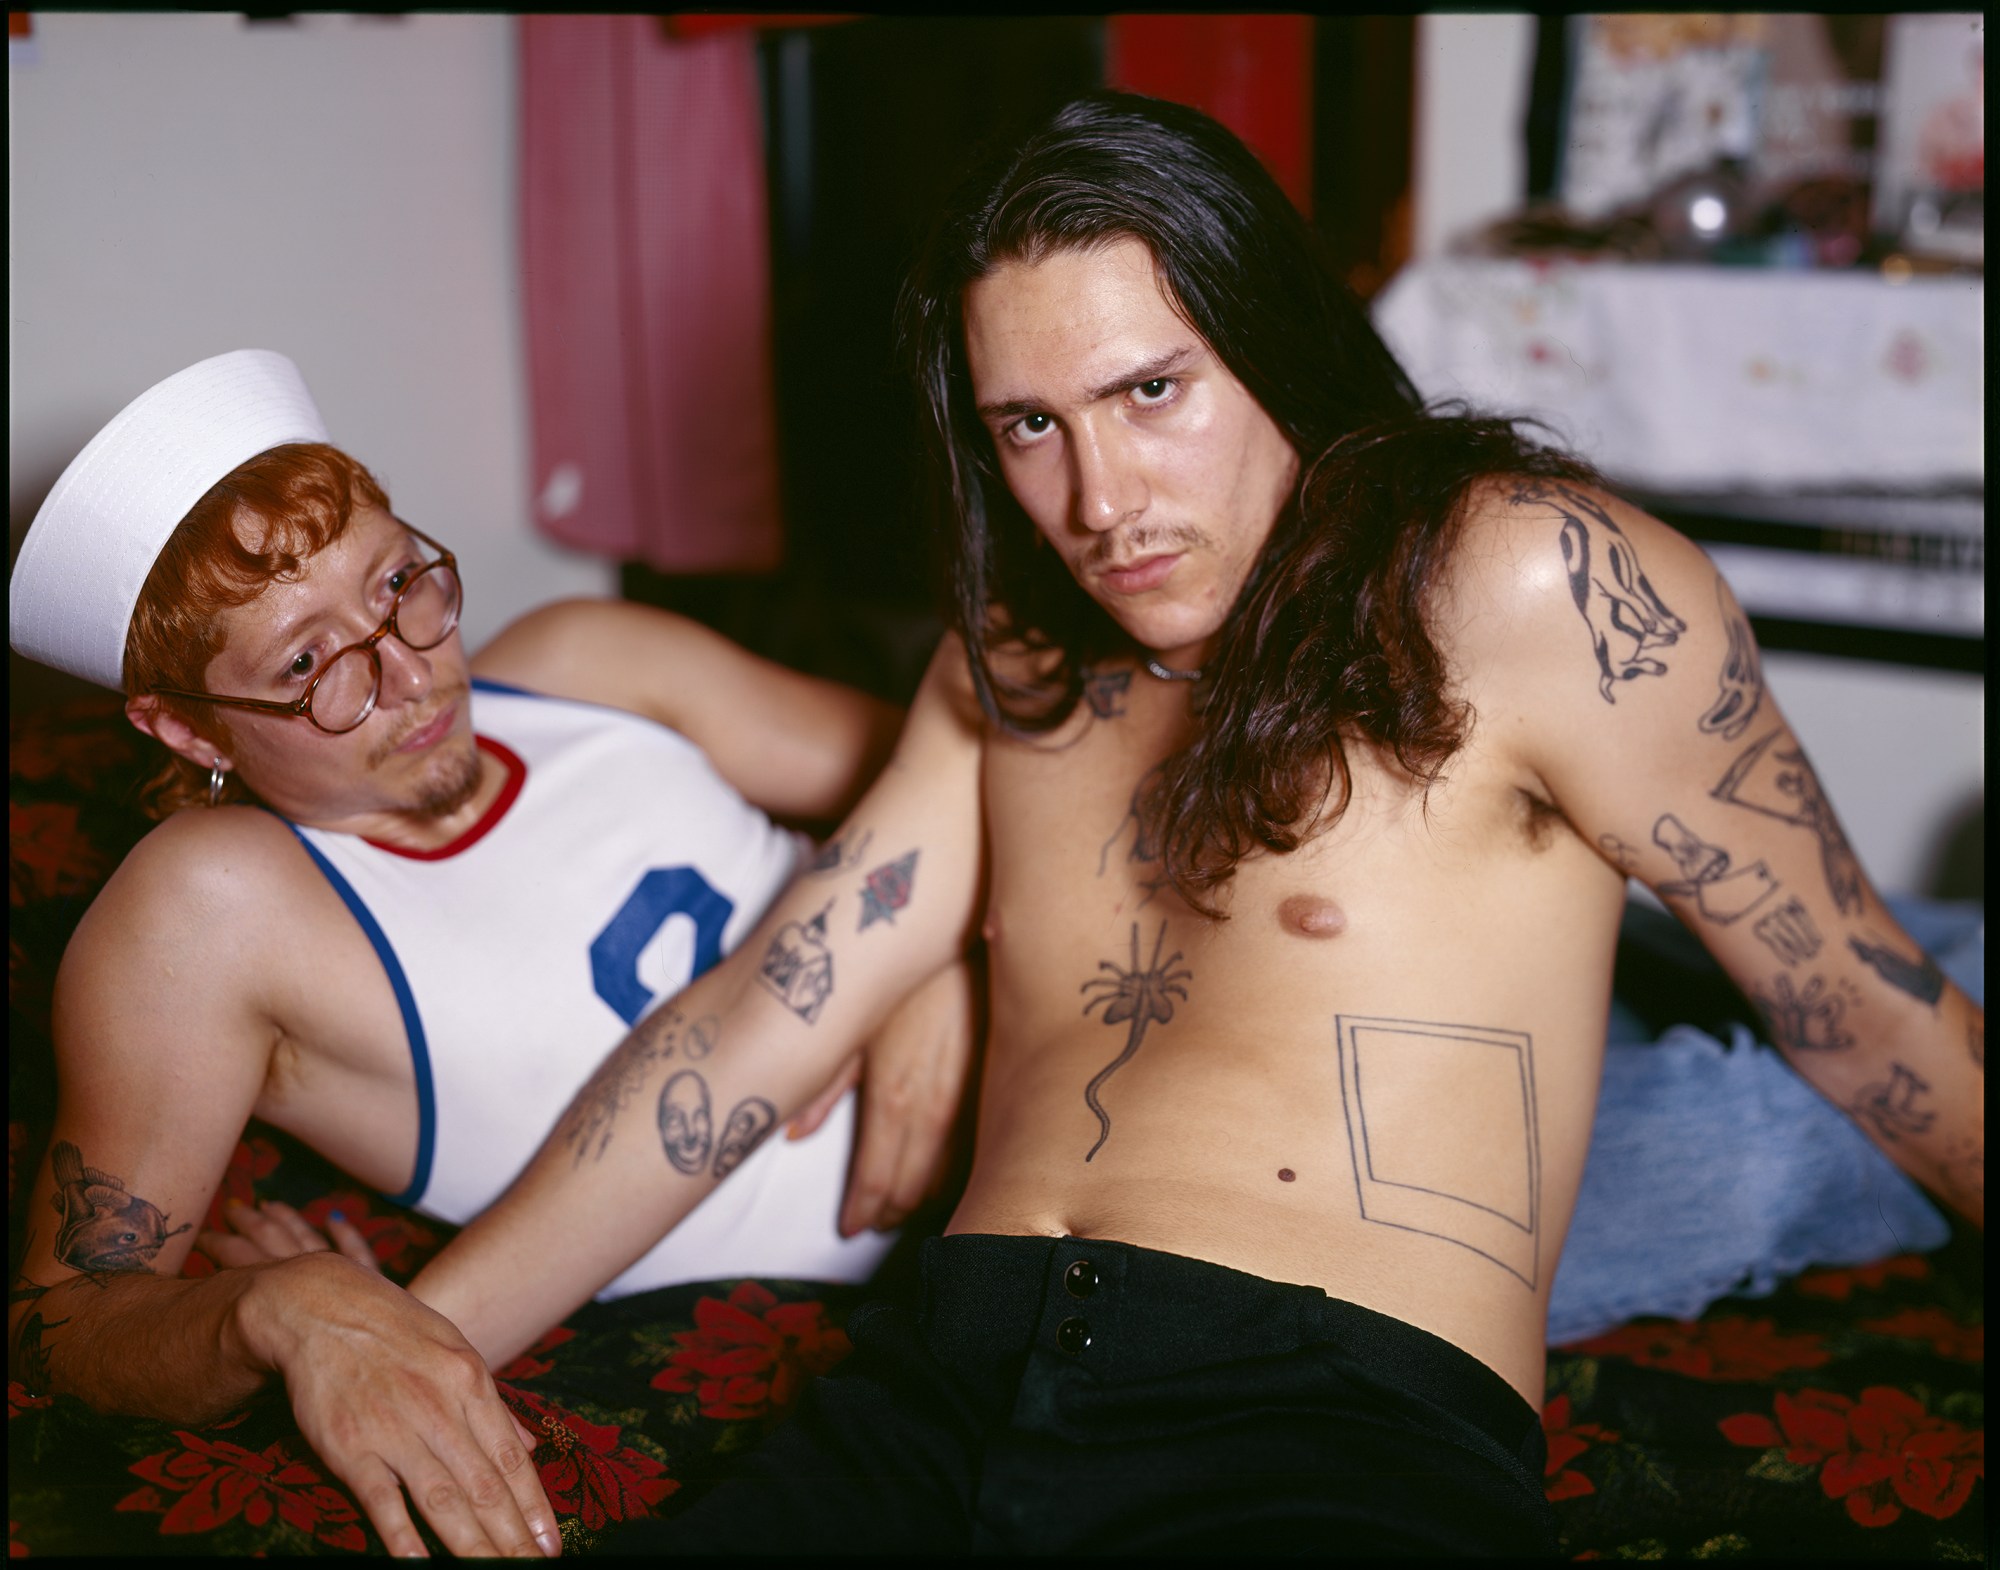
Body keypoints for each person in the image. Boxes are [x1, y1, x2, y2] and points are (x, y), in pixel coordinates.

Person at [390, 94, 1983, 1556]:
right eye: (1030, 427)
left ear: (1274, 343)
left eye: (1152, 392)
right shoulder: (1010, 670)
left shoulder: (1519, 579)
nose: (1100, 499)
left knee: (1753, 1138)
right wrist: (414, 1335)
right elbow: (762, 1018)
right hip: (930, 1398)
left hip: (1318, 1423)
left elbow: (1857, 1005)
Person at [5, 349, 976, 1558]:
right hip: (923, 1289)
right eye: (307, 667)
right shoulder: (211, 912)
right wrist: (276, 1308)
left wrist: (935, 958)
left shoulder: (587, 662)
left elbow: (980, 768)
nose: (411, 675)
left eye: (398, 580)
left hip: (1035, 1082)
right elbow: (57, 1318)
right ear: (187, 724)